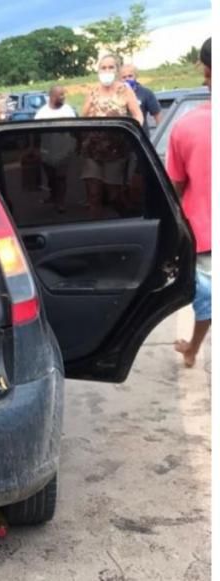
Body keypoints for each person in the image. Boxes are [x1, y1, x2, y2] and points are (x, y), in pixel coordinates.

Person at [168, 38, 212, 368]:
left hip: (206, 234)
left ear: (205, 69)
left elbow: (174, 188)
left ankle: (194, 349)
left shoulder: (186, 127)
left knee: (207, 301)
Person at [80, 55, 144, 218]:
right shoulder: (92, 91)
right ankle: (94, 227)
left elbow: (138, 115)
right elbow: (83, 117)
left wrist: (134, 132)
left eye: (111, 67)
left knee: (113, 193)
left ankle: (123, 220)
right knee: (93, 192)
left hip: (116, 151)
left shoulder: (125, 90)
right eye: (103, 67)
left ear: (116, 70)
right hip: (92, 150)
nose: (107, 71)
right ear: (98, 70)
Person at [34, 86, 77, 213]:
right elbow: (35, 133)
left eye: (64, 95)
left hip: (64, 149)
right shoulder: (42, 113)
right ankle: (53, 196)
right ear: (52, 96)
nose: (63, 97)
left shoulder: (68, 110)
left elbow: (75, 129)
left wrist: (76, 145)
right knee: (51, 176)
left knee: (60, 177)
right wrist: (35, 149)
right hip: (47, 150)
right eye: (60, 95)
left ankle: (61, 203)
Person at [120, 63, 162, 136]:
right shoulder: (116, 94)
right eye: (124, 77)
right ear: (120, 79)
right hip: (121, 136)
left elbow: (157, 116)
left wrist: (159, 136)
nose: (127, 79)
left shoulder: (146, 93)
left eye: (130, 76)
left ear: (136, 76)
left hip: (141, 137)